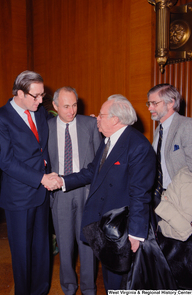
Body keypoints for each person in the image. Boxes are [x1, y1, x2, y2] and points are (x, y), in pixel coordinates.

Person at [55, 95, 156, 291]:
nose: (96, 119)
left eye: (101, 115)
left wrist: (135, 234)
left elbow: (140, 194)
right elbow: (93, 171)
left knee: (122, 283)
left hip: (123, 228)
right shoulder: (109, 140)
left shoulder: (138, 147)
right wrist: (62, 180)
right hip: (106, 224)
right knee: (110, 279)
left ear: (115, 119)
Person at [0, 70, 60, 295]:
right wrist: (41, 178)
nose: (41, 101)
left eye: (43, 96)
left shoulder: (39, 112)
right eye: (36, 96)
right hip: (19, 196)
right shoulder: (0, 117)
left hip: (42, 193)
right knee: (21, 252)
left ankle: (41, 290)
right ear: (19, 93)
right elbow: (7, 161)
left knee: (41, 248)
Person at [48, 87, 101, 295]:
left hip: (87, 191)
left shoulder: (90, 124)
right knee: (64, 242)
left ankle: (89, 288)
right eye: (66, 106)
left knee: (87, 242)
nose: (71, 111)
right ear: (55, 106)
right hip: (59, 192)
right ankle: (68, 287)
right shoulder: (47, 127)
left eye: (75, 105)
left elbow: (99, 161)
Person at [147, 83, 192, 289]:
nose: (149, 108)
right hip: (161, 198)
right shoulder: (159, 131)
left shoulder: (186, 126)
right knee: (167, 252)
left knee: (183, 255)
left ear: (171, 102)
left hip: (181, 203)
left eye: (154, 103)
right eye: (149, 103)